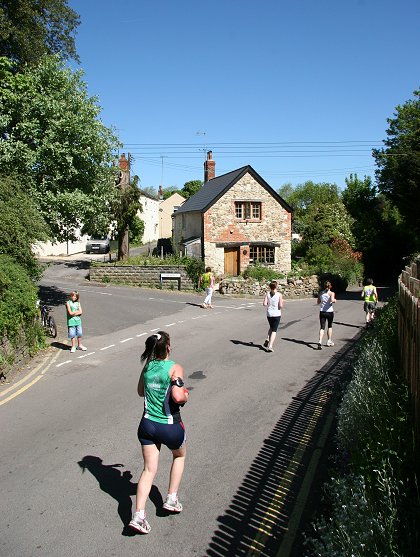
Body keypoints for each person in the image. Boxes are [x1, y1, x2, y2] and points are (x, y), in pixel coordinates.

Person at [129, 331, 189, 535]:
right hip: (169, 425)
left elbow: (139, 391)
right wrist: (185, 395)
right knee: (179, 455)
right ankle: (171, 498)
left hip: (147, 425)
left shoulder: (147, 366)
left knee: (148, 470)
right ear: (168, 348)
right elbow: (178, 396)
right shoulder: (174, 368)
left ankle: (138, 516)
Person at [263, 281, 284, 352]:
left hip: (269, 314)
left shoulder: (267, 294)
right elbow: (281, 306)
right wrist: (281, 303)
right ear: (276, 286)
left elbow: (264, 304)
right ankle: (270, 346)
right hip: (276, 314)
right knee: (274, 330)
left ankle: (267, 338)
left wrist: (270, 303)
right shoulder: (279, 294)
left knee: (271, 327)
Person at [317, 280, 336, 349]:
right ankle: (329, 341)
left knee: (322, 327)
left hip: (322, 311)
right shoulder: (331, 293)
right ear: (330, 286)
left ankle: (320, 341)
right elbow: (332, 300)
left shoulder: (320, 293)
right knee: (329, 326)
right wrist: (335, 300)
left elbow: (318, 302)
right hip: (329, 311)